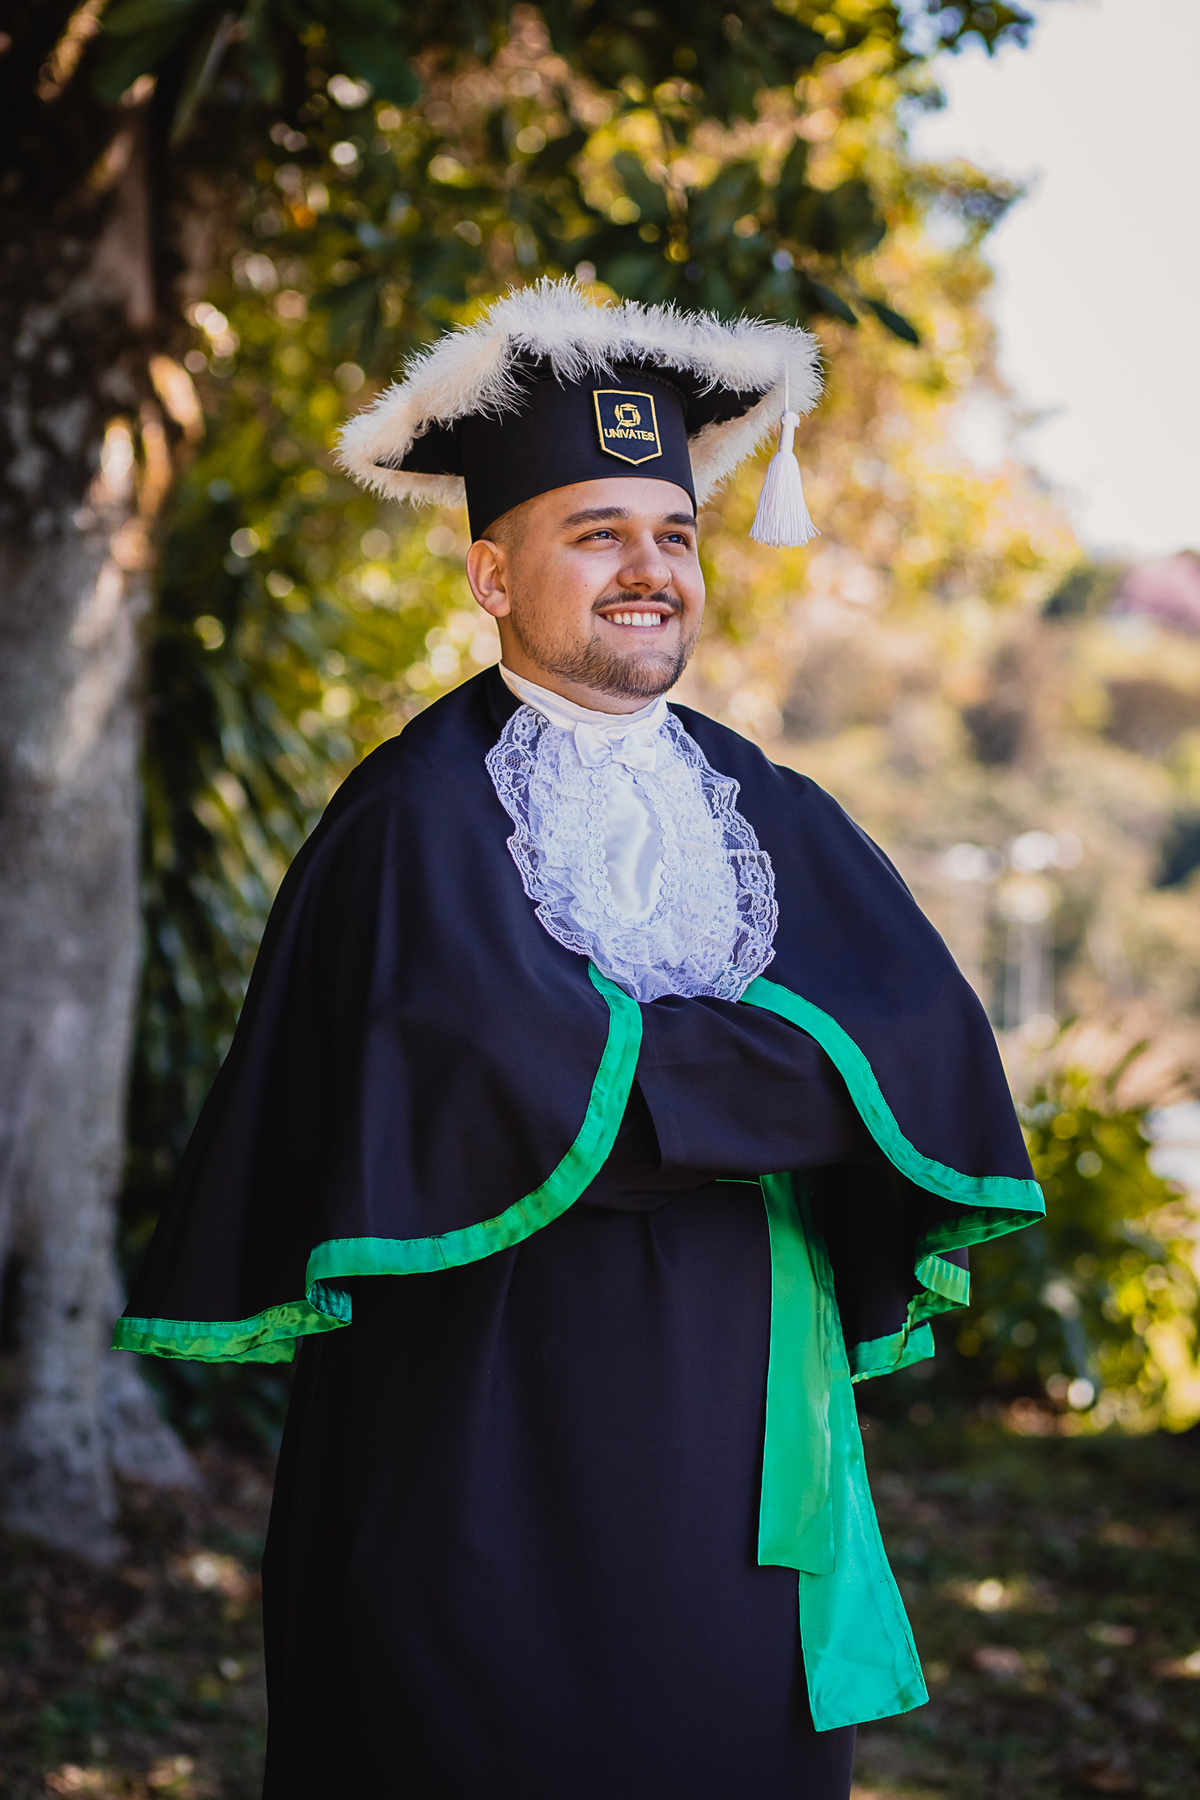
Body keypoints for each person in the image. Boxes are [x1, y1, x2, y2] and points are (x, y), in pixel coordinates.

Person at [115, 280, 1043, 1799]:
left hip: (735, 1407)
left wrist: (644, 1078)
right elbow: (482, 1089)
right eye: (597, 532)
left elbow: (914, 1055)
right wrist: (742, 1082)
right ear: (492, 573)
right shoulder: (410, 817)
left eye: (674, 534)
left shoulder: (770, 805)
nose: (650, 570)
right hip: (479, 1420)